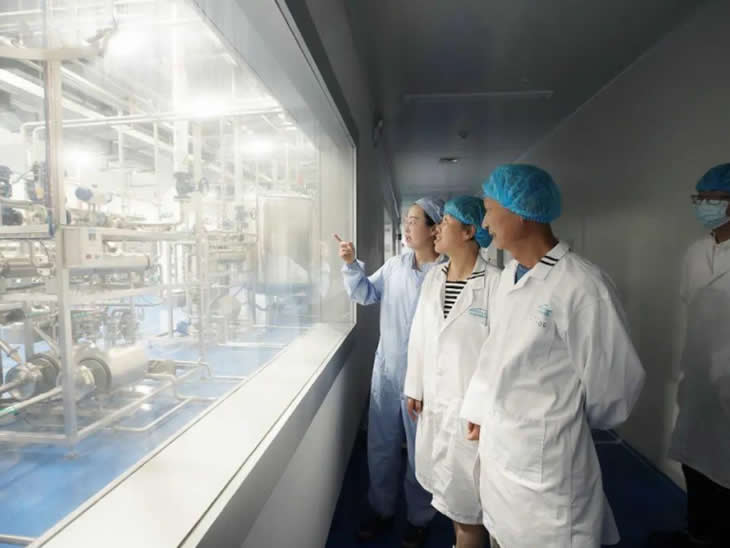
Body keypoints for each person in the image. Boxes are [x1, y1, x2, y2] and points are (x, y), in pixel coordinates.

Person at [461, 164, 646, 548]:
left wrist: (554, 421)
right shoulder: (510, 276)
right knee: (502, 534)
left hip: (548, 469)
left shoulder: (582, 285)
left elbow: (613, 389)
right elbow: (494, 355)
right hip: (502, 455)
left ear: (522, 214)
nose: (486, 222)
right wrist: (481, 410)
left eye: (490, 210)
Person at [336, 197, 445, 548]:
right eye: (406, 220)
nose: (407, 227)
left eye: (414, 220)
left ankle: (419, 518)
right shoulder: (396, 266)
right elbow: (366, 293)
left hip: (426, 381)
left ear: (434, 228)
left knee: (420, 453)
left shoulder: (447, 273)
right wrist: (351, 264)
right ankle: (381, 508)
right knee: (380, 445)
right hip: (388, 374)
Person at [404, 196, 498, 548]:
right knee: (451, 500)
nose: (437, 229)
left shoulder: (496, 283)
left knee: (471, 509)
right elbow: (419, 336)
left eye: (446, 222)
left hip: (472, 414)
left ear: (469, 231)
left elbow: (499, 356)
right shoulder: (434, 279)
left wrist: (483, 409)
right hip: (436, 405)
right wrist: (415, 386)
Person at [648, 163, 730, 548]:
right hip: (698, 377)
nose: (703, 206)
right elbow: (690, 307)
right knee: (696, 464)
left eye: (712, 199)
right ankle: (697, 535)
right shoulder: (696, 252)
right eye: (700, 198)